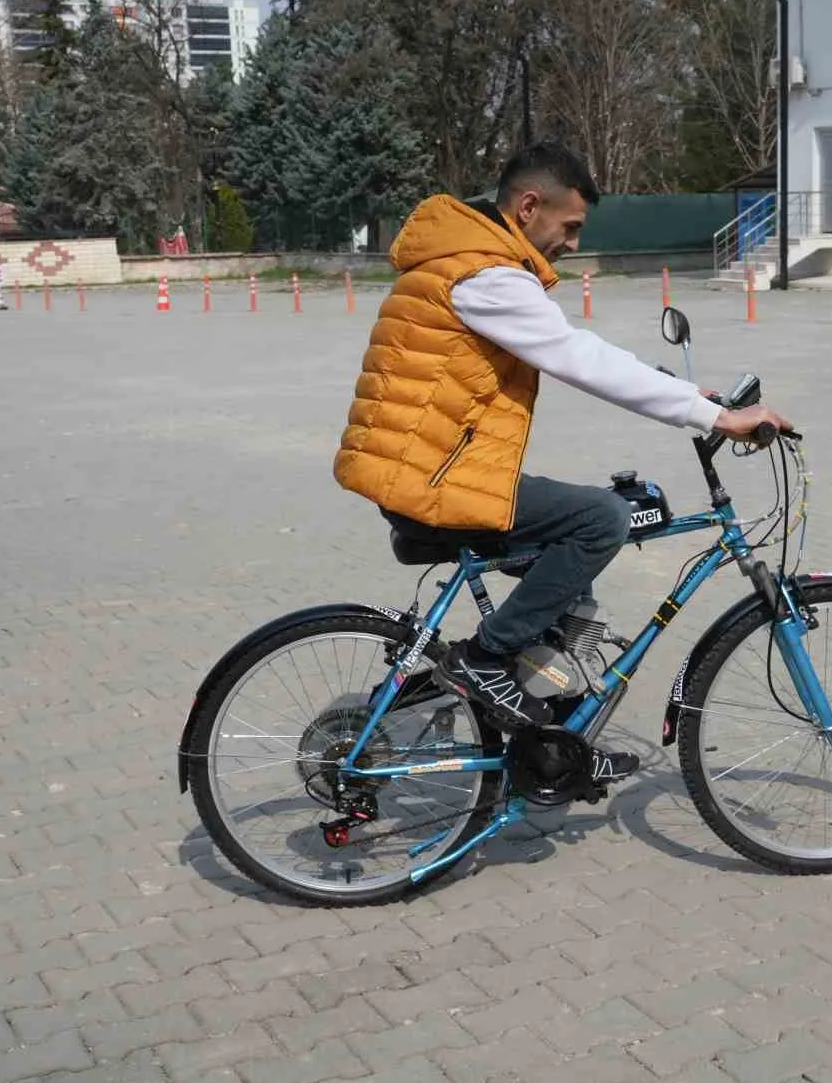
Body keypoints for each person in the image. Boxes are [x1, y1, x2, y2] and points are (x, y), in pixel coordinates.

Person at [333, 140, 793, 787]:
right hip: (433, 478)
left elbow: (581, 351)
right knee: (601, 520)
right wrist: (711, 417)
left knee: (571, 573)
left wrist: (692, 395)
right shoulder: (487, 275)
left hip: (423, 470)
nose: (574, 243)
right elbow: (581, 358)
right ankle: (486, 660)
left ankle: (555, 730)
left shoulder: (463, 258)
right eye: (570, 226)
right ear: (528, 207)